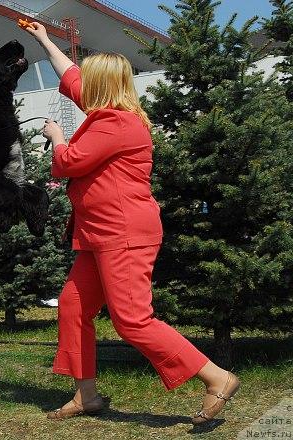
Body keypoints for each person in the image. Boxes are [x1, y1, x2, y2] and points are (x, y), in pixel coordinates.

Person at [23, 22, 240, 425]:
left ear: (102, 86)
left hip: (122, 233)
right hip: (97, 234)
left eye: (90, 79)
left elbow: (69, 162)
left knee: (133, 319)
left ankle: (217, 377)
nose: (80, 82)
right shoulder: (106, 111)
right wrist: (44, 40)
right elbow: (69, 75)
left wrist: (55, 136)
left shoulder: (116, 123)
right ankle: (86, 395)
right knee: (73, 305)